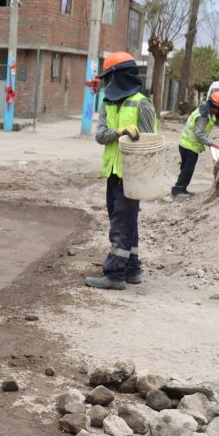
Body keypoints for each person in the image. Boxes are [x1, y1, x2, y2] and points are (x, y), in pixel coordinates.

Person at [85, 51, 157, 291]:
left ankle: (115, 274)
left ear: (120, 76)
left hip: (132, 175)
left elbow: (150, 144)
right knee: (127, 222)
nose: (107, 84)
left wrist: (144, 175)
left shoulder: (142, 104)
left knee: (121, 223)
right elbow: (101, 136)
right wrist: (121, 131)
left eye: (109, 78)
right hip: (113, 174)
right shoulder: (107, 104)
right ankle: (132, 269)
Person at [171, 91, 219, 196]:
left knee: (185, 168)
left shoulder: (204, 110)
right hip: (189, 146)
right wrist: (209, 143)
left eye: (218, 108)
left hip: (186, 144)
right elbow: (199, 133)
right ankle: (178, 190)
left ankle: (181, 188)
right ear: (210, 103)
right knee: (188, 169)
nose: (215, 109)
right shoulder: (203, 116)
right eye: (214, 107)